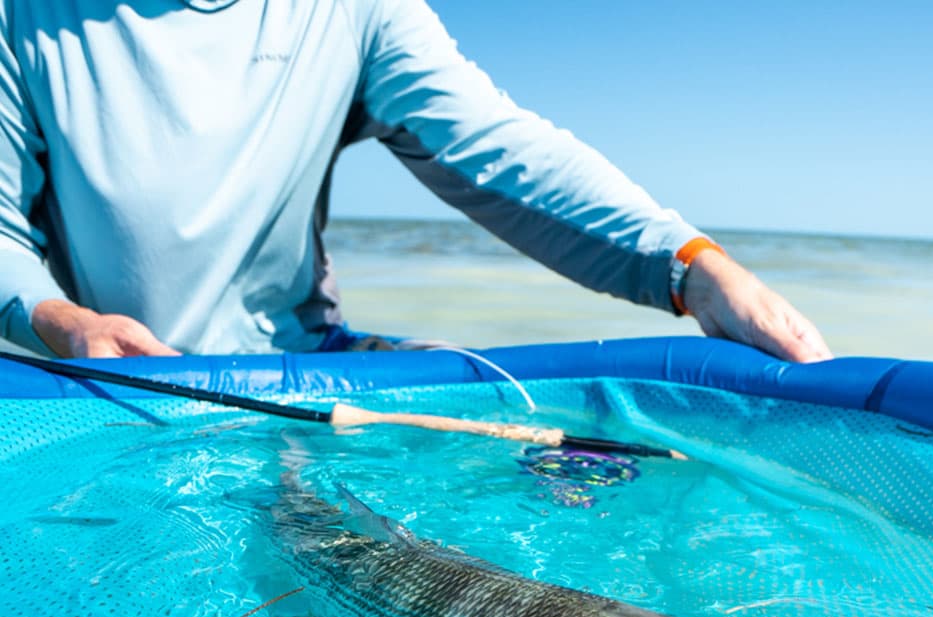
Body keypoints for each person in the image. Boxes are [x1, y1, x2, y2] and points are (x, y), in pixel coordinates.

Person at [0, 1, 832, 365]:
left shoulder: (355, 9)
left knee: (554, 462)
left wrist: (690, 267)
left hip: (304, 362)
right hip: (108, 384)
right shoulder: (23, 14)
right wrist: (62, 321)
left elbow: (497, 149)